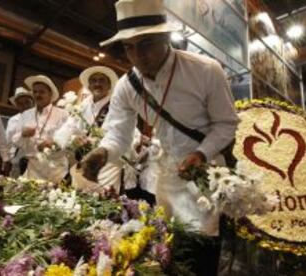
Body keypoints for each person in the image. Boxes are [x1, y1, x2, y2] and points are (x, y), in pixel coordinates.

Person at [81, 0, 239, 275]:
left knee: (201, 251)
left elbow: (226, 125)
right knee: (168, 251)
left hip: (206, 175)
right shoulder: (126, 86)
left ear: (166, 37)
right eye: (129, 47)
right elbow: (118, 133)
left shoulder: (205, 69)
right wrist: (103, 152)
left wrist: (201, 154)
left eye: (146, 44)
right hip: (166, 177)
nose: (138, 55)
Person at [11, 75, 69, 183]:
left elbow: (69, 141)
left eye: (41, 92)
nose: (37, 95)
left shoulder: (63, 114)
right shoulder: (26, 114)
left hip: (56, 169)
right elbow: (15, 141)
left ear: (50, 94)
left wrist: (54, 143)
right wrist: (22, 134)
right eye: (35, 92)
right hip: (32, 168)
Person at [6, 87, 34, 177]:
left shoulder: (40, 118)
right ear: (16, 105)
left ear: (33, 102)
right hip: (16, 163)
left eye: (27, 102)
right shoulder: (13, 120)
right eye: (20, 103)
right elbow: (7, 143)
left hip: (35, 164)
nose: (24, 106)